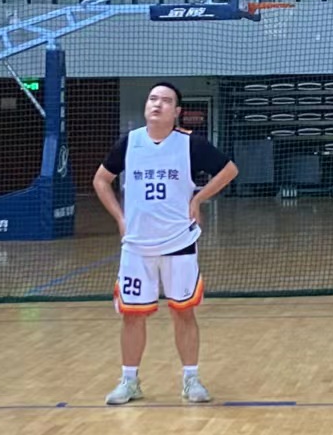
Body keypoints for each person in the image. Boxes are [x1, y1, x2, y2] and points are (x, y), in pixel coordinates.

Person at [93, 81, 238, 406]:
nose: (157, 104)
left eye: (166, 100)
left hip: (178, 243)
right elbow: (101, 180)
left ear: (177, 111)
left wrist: (198, 198)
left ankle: (191, 379)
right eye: (153, 99)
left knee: (183, 312)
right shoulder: (129, 143)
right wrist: (119, 218)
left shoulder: (190, 144)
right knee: (132, 316)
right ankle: (129, 381)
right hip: (136, 247)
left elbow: (229, 170)